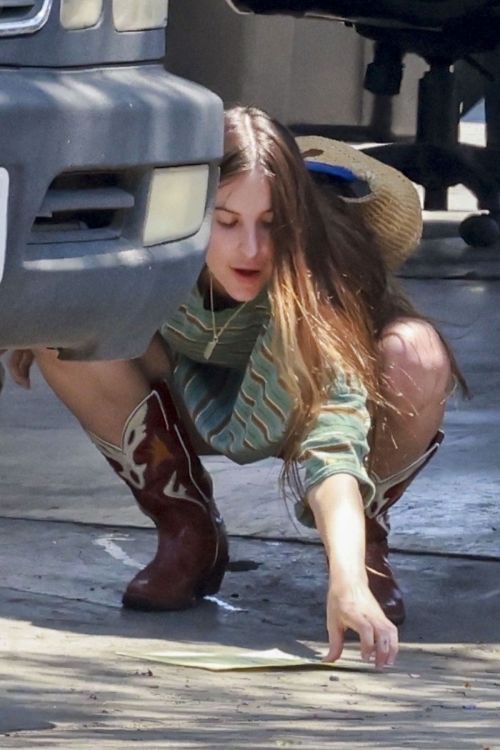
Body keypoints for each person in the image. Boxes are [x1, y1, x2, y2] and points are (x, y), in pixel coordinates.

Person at [6, 105, 465, 670]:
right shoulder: (148, 248)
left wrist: (347, 580)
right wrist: (34, 315)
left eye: (270, 223)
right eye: (224, 221)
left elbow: (333, 440)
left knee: (415, 351)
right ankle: (187, 529)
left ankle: (363, 543)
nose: (249, 249)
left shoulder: (320, 280)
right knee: (66, 328)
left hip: (306, 402)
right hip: (182, 392)